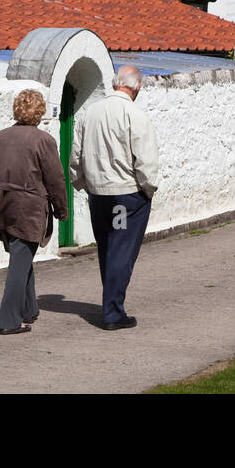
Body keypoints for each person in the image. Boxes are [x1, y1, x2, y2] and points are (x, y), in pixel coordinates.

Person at [69, 65, 159, 331]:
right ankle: (112, 311)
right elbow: (146, 160)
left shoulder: (89, 113)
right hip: (126, 194)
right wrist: (148, 189)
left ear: (114, 83)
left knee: (108, 248)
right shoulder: (135, 115)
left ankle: (112, 304)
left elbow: (76, 155)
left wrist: (83, 183)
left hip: (98, 194)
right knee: (121, 250)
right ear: (137, 87)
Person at [0, 89, 68, 335]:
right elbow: (55, 180)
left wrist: (4, 182)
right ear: (39, 112)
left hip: (1, 205)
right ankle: (8, 320)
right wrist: (61, 209)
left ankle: (29, 309)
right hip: (28, 208)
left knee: (21, 256)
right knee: (20, 261)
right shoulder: (43, 140)